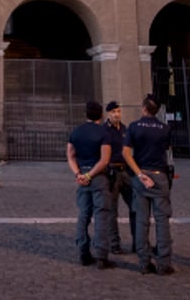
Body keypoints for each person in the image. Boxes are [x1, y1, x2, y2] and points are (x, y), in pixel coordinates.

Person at [122, 94, 174, 275]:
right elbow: (166, 150)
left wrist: (139, 174)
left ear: (144, 108)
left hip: (141, 176)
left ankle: (144, 262)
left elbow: (126, 153)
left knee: (142, 221)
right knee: (162, 221)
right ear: (157, 110)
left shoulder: (134, 127)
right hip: (159, 176)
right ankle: (164, 263)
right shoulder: (165, 128)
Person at [66, 100, 114, 269]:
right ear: (101, 115)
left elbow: (70, 155)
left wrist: (78, 174)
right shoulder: (104, 133)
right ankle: (101, 256)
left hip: (82, 178)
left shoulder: (76, 132)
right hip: (98, 177)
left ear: (86, 114)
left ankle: (83, 253)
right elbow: (104, 160)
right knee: (101, 216)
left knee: (83, 215)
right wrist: (89, 174)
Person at [102, 100, 134, 256]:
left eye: (119, 111)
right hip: (112, 172)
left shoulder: (125, 129)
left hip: (126, 171)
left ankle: (138, 241)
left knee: (135, 206)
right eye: (114, 112)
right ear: (108, 113)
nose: (117, 114)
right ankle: (114, 244)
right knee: (112, 211)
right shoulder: (104, 130)